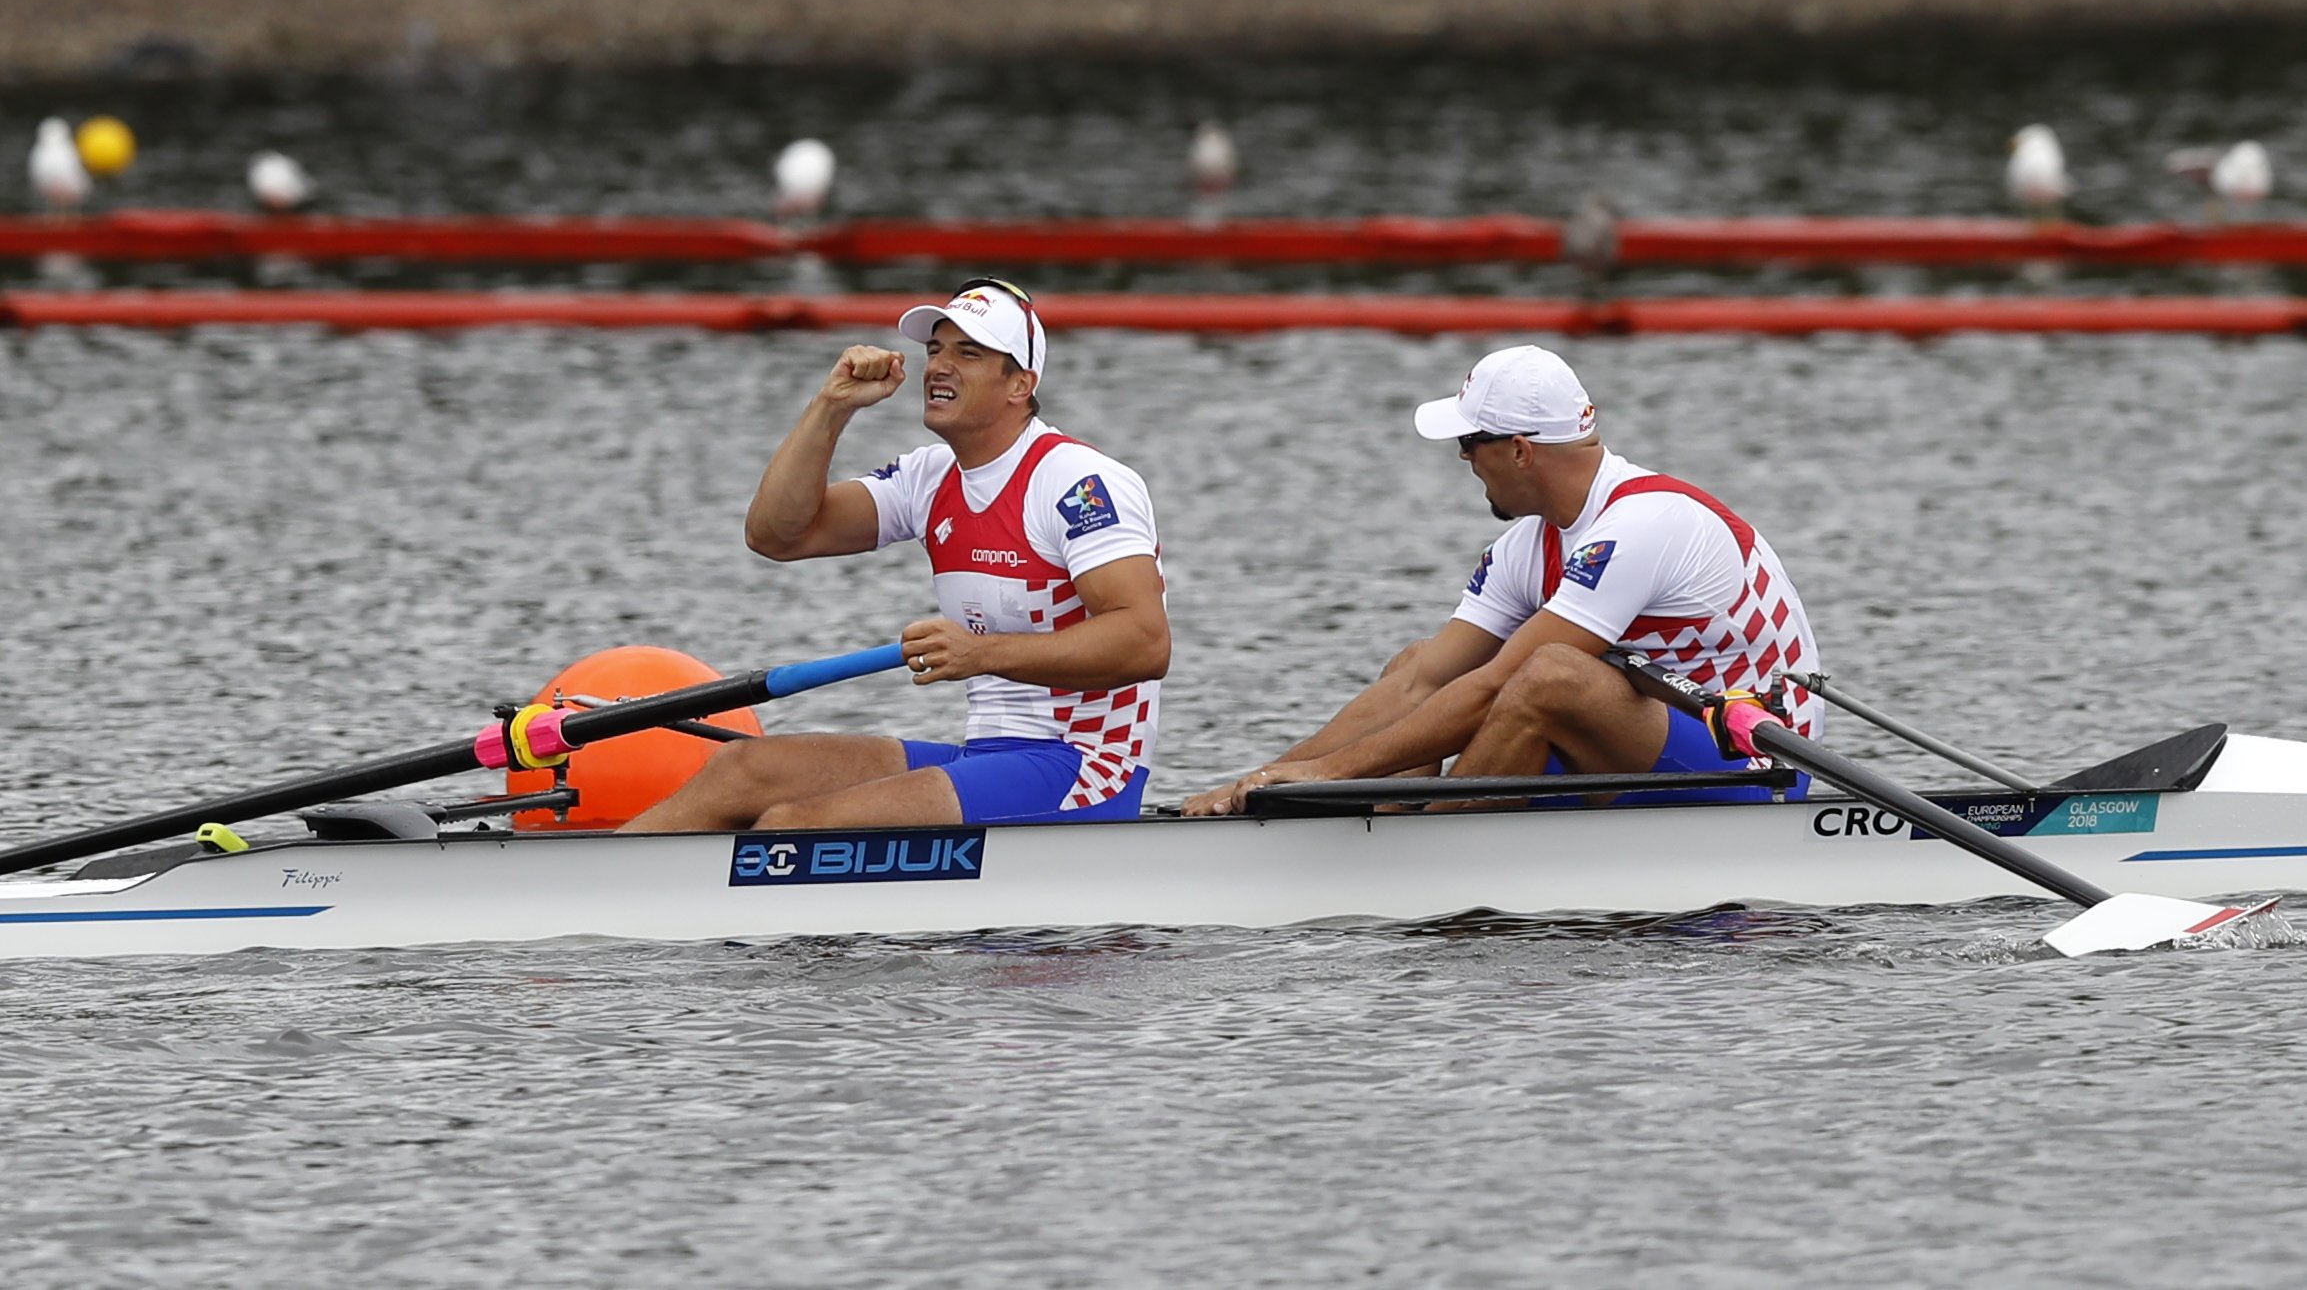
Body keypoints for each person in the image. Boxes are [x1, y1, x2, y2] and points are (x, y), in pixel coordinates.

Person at [1182, 343, 1821, 816]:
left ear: (1519, 449)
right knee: (1421, 660)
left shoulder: (1643, 524)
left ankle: (1422, 863)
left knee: (1548, 676)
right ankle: (1378, 827)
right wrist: (1269, 777)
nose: (1462, 458)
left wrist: (1324, 772)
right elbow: (1421, 681)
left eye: (1470, 442)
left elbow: (1500, 686)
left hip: (1756, 767)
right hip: (1643, 747)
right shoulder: (1527, 546)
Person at [625, 278, 1169, 832]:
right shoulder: (929, 477)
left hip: (1085, 767)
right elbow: (778, 535)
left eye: (969, 352)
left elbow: (1144, 642)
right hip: (988, 757)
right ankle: (583, 892)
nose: (939, 366)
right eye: (935, 349)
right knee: (741, 769)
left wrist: (983, 653)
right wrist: (831, 407)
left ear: (1019, 384)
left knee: (796, 824)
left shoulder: (1078, 482)